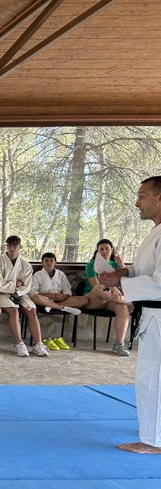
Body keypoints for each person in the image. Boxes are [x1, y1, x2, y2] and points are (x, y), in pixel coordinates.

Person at [100, 176, 161, 454]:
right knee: (151, 376)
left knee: (154, 377)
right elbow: (146, 271)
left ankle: (154, 441)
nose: (137, 202)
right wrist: (121, 274)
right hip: (152, 315)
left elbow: (159, 282)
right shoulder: (156, 232)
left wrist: (122, 284)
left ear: (159, 199)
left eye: (142, 195)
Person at [0, 235, 50, 357]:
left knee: (32, 310)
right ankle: (20, 344)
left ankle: (38, 344)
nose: (12, 248)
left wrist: (16, 290)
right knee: (14, 311)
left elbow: (26, 286)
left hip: (20, 294)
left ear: (19, 246)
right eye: (9, 245)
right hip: (1, 295)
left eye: (15, 245)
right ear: (6, 246)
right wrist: (14, 285)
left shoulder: (25, 265)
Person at [28, 251, 88, 350]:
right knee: (36, 297)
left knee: (84, 299)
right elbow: (32, 291)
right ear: (42, 263)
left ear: (55, 262)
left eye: (51, 260)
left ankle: (51, 306)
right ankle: (57, 306)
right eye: (46, 261)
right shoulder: (37, 275)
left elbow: (67, 289)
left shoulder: (60, 274)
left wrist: (63, 296)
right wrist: (47, 295)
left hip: (60, 300)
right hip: (43, 301)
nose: (49, 263)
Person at [83, 239, 132, 356]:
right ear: (97, 251)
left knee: (122, 307)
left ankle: (119, 344)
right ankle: (132, 301)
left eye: (107, 249)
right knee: (99, 288)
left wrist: (122, 265)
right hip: (94, 299)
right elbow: (95, 284)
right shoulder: (91, 265)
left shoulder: (115, 265)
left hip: (111, 299)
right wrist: (112, 287)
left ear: (112, 250)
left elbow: (126, 284)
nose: (104, 251)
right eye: (101, 249)